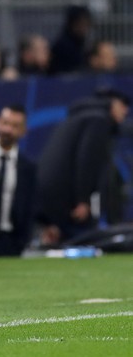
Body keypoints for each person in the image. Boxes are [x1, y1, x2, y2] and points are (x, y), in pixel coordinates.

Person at [37, 89, 130, 245]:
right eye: (123, 105)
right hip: (64, 196)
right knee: (83, 240)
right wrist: (82, 200)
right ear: (112, 104)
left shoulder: (81, 117)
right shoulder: (99, 119)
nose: (125, 111)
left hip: (48, 193)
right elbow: (86, 160)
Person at [0, 105, 37, 256]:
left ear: (24, 131)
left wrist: (23, 241)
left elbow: (29, 205)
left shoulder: (28, 166)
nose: (8, 130)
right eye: (5, 123)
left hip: (11, 241)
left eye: (15, 126)